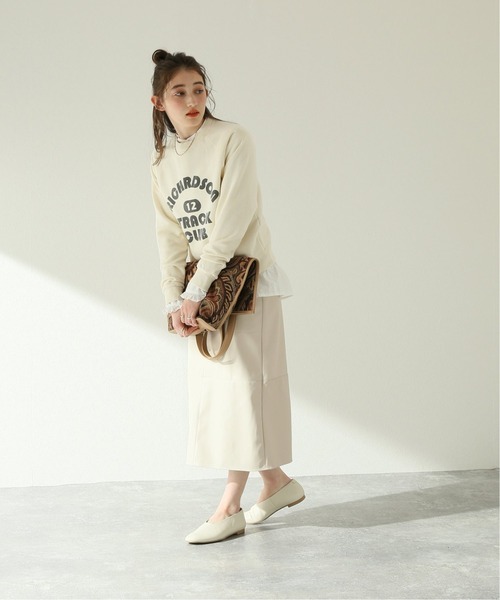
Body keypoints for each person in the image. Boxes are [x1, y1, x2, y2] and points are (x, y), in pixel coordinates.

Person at [150, 49, 305, 544]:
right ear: (159, 102)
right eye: (179, 92)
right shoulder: (162, 163)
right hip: (205, 295)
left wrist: (195, 291)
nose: (192, 100)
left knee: (243, 392)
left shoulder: (233, 139)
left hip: (245, 284)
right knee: (223, 397)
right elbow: (169, 236)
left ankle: (229, 506)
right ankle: (275, 482)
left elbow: (231, 223)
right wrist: (173, 300)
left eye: (198, 89)